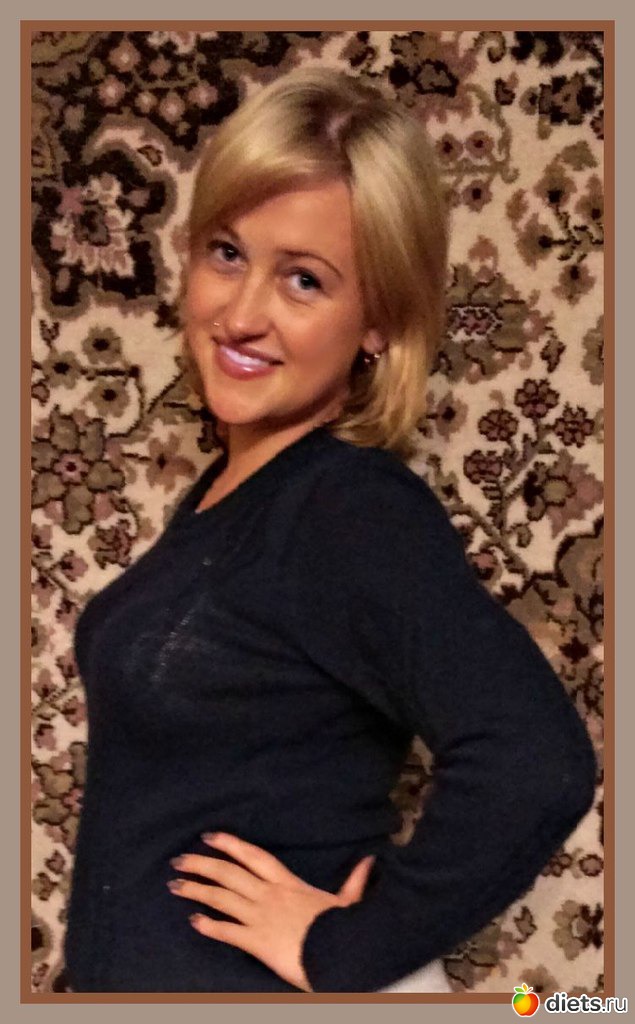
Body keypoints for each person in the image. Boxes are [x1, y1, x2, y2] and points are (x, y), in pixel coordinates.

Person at [63, 67, 597, 994]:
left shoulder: (348, 509)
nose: (240, 314)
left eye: (303, 280)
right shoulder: (230, 495)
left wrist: (345, 951)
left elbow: (534, 763)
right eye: (226, 252)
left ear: (377, 322)